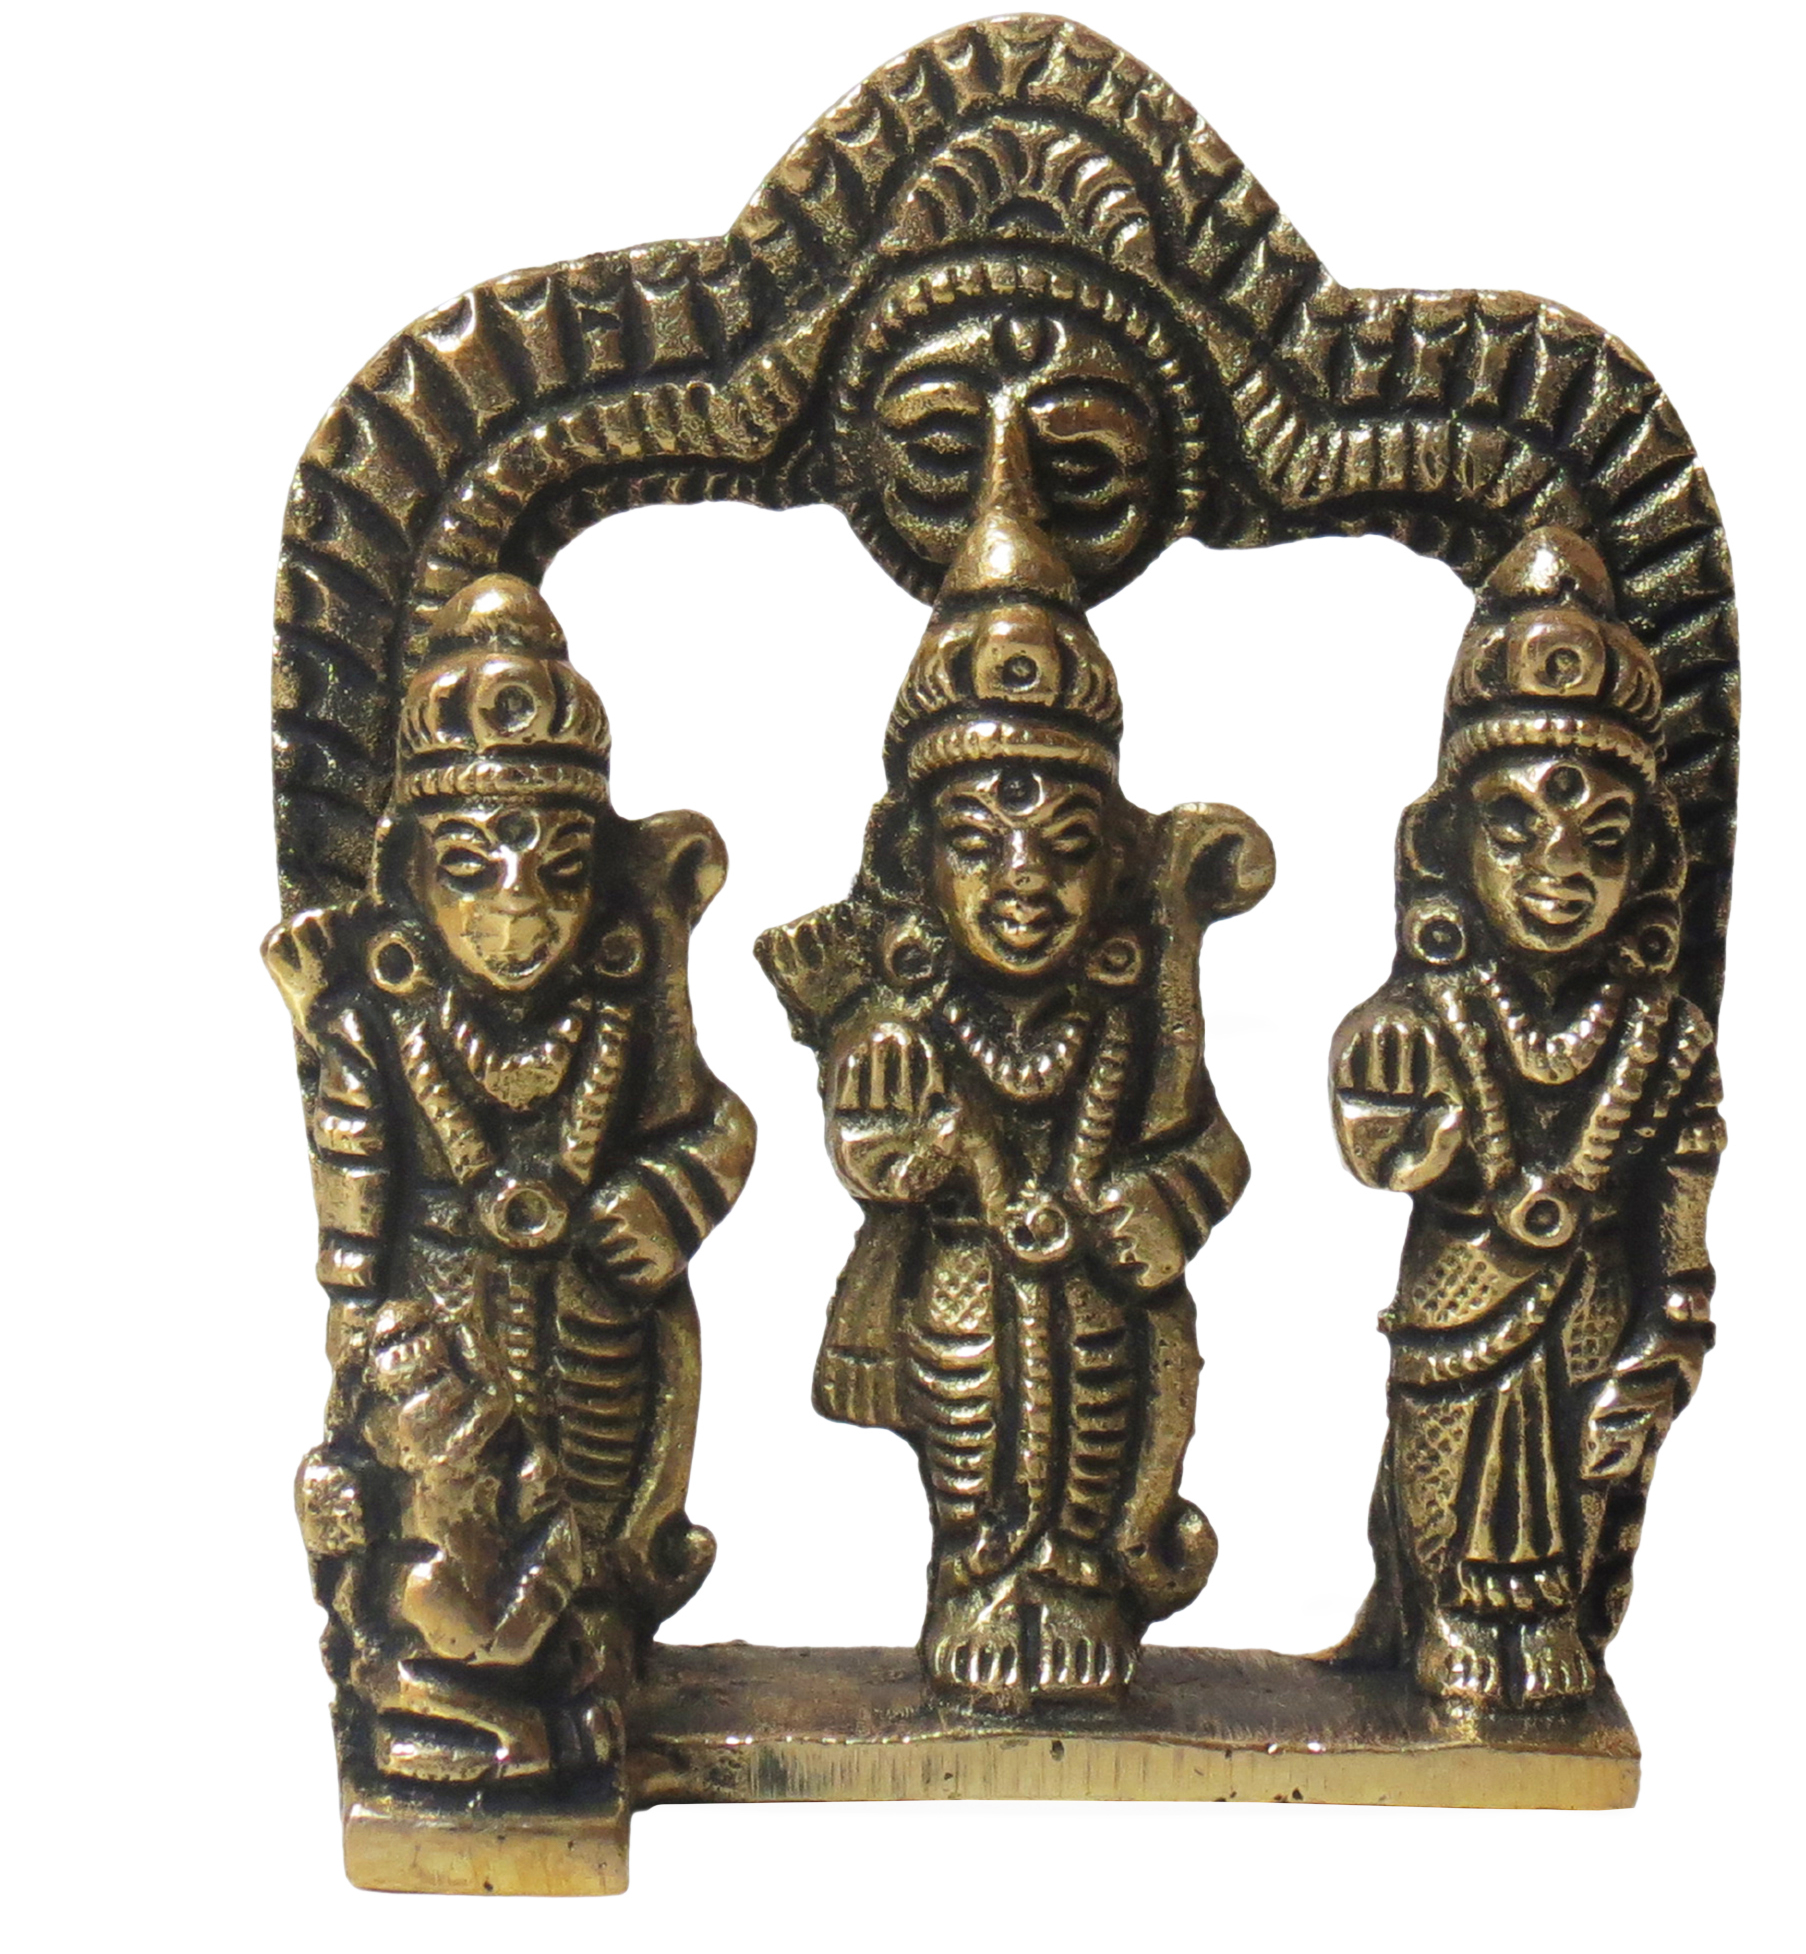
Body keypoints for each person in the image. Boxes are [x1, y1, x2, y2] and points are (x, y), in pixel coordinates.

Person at [761, 474, 1270, 1707]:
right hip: (960, 1273)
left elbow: (1212, 1148)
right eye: (975, 844)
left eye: (1066, 845)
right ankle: (979, 1575)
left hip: (1096, 1284)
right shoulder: (904, 1015)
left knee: (1095, 1397)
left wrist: (1161, 1200)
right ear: (913, 857)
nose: (1023, 879)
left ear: (1118, 856)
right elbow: (870, 1144)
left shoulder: (1128, 1010)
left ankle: (1083, 1572)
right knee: (970, 1404)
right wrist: (900, 1136)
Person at [266, 573, 753, 1787]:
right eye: (471, 868)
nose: (518, 911)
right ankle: (465, 1696)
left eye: (559, 869)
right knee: (462, 1552)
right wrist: (364, 1346)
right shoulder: (384, 1020)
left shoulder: (620, 996)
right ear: (409, 874)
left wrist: (664, 1197)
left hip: (599, 1328)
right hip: (444, 1330)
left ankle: (587, 1655)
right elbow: (352, 1219)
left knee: (585, 1532)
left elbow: (715, 1126)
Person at [1328, 527, 1722, 1707]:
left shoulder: (1663, 1042)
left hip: (1588, 1317)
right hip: (1455, 1312)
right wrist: (1403, 1110)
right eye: (1513, 827)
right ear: (1446, 840)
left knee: (1561, 1507)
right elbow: (1372, 1136)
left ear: (1647, 858)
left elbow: (1680, 1245)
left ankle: (1535, 1634)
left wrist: (1662, 1345)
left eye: (1600, 838)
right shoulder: (1426, 1014)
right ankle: (1444, 1619)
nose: (1558, 867)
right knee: (1444, 1487)